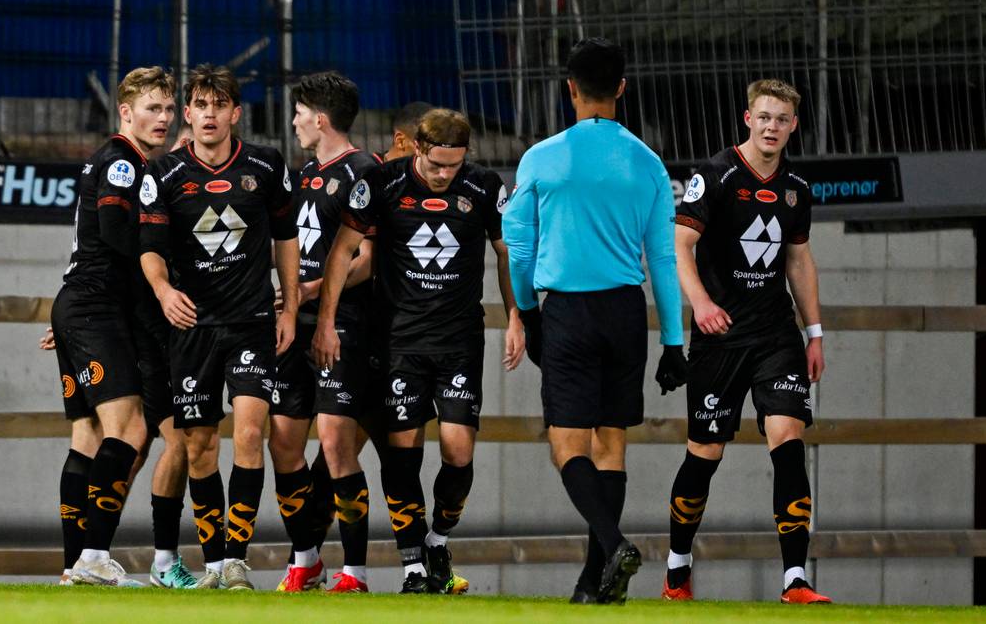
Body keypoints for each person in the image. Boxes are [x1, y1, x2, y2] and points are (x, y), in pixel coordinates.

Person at [502, 37, 688, 605]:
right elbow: (662, 258)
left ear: (570, 89)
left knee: (566, 445)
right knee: (611, 445)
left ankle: (613, 544)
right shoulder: (649, 163)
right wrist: (675, 342)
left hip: (567, 310)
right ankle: (593, 583)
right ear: (623, 89)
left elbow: (518, 247)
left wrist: (528, 314)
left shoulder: (542, 156)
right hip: (626, 312)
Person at [314, 108, 524, 594]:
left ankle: (436, 540)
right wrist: (325, 320)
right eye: (435, 166)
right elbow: (344, 250)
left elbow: (507, 251)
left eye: (453, 166)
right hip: (400, 342)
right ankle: (412, 566)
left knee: (458, 450)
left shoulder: (485, 186)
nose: (444, 176)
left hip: (459, 343)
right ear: (417, 149)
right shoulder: (382, 183)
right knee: (402, 457)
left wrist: (516, 316)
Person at [663, 78, 829, 605]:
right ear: (747, 118)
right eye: (764, 117)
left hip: (776, 335)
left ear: (793, 125)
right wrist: (702, 305)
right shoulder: (713, 176)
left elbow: (798, 259)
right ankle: (677, 566)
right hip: (719, 338)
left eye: (782, 119)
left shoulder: (796, 189)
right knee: (705, 452)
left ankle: (795, 579)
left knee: (788, 439)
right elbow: (679, 247)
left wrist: (815, 332)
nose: (772, 127)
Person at [139, 63, 300, 590]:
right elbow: (150, 251)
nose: (210, 115)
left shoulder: (265, 165)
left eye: (219, 105)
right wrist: (164, 292)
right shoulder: (164, 175)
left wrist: (291, 309)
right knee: (201, 447)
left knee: (251, 431)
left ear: (235, 112)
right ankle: (211, 564)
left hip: (251, 324)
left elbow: (286, 242)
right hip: (191, 329)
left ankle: (236, 561)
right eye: (200, 106)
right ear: (188, 114)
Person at [49, 66, 178, 587]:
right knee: (129, 428)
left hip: (80, 307)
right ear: (125, 111)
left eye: (169, 109)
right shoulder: (123, 163)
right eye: (153, 108)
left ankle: (75, 563)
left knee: (88, 435)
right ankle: (93, 556)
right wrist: (164, 271)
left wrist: (70, 317)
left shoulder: (117, 160)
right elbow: (116, 235)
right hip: (96, 309)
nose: (163, 119)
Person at [270, 71, 381, 593]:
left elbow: (367, 260)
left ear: (320, 118)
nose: (293, 123)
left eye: (298, 113)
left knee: (336, 442)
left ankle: (355, 572)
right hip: (296, 323)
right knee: (283, 443)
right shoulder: (302, 175)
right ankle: (306, 558)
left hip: (345, 326)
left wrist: (318, 295)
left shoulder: (365, 170)